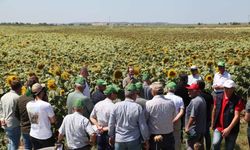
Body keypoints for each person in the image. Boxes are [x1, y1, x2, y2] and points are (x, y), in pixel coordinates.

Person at [108, 83, 149, 150]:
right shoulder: (137, 107)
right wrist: (146, 139)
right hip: (133, 139)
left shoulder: (116, 106)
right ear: (134, 94)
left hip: (119, 140)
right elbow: (142, 126)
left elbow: (111, 124)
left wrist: (111, 136)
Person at [212, 79, 244, 150]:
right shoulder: (218, 97)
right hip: (219, 126)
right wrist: (212, 123)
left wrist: (228, 129)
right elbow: (214, 109)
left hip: (232, 129)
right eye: (226, 88)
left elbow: (237, 116)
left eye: (230, 88)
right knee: (215, 143)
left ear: (233, 89)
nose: (227, 90)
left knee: (229, 148)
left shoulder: (237, 99)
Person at [145, 82, 176, 150]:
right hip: (168, 134)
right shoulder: (170, 102)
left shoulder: (149, 104)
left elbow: (145, 119)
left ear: (153, 92)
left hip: (155, 136)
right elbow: (174, 116)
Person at [26, 83, 56, 149]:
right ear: (41, 92)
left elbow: (35, 118)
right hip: (45, 135)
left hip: (33, 134)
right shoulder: (46, 105)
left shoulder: (28, 104)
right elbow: (53, 120)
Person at [90, 84, 119, 150]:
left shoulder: (98, 104)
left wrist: (98, 126)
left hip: (99, 133)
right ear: (111, 94)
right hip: (109, 133)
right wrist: (104, 129)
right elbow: (115, 123)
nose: (116, 95)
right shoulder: (113, 107)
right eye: (115, 93)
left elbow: (92, 117)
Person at [15, 75, 39, 150]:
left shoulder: (20, 99)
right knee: (36, 147)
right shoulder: (35, 99)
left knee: (27, 147)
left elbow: (16, 114)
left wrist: (23, 121)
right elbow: (37, 116)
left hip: (24, 128)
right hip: (35, 129)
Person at [0, 79, 22, 150]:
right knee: (14, 144)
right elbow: (20, 112)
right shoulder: (17, 98)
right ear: (19, 88)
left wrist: (2, 119)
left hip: (5, 124)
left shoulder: (4, 96)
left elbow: (1, 110)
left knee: (10, 142)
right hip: (14, 124)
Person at [185, 83, 207, 150]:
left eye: (190, 90)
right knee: (199, 147)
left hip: (194, 130)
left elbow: (193, 116)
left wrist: (187, 127)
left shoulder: (195, 101)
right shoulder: (202, 99)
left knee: (191, 147)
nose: (188, 92)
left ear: (196, 91)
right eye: (188, 90)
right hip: (201, 129)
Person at [164, 81, 184, 150]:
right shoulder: (179, 98)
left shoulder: (163, 97)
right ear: (174, 89)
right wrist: (175, 119)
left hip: (165, 121)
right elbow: (181, 111)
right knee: (176, 138)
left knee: (166, 138)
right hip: (176, 121)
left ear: (167, 89)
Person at [197, 80, 213, 150]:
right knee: (207, 135)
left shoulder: (197, 96)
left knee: (199, 135)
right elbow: (212, 108)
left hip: (199, 119)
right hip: (207, 118)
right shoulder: (209, 95)